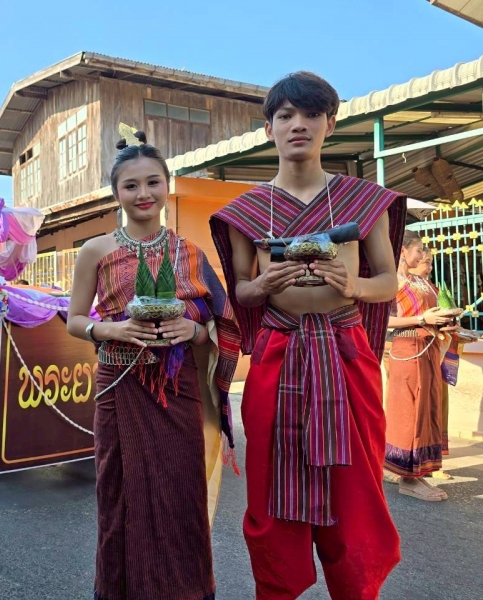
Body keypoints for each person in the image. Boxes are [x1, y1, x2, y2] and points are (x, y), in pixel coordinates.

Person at [210, 71, 405, 599]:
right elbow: (242, 290)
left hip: (346, 351)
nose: (299, 124)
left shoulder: (363, 201)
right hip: (278, 352)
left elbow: (389, 281)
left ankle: (358, 588)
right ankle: (278, 588)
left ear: (330, 125)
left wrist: (354, 285)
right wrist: (263, 284)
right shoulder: (247, 211)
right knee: (271, 480)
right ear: (268, 128)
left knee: (356, 489)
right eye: (286, 115)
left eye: (312, 114)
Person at [67, 132, 239, 600]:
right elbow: (75, 320)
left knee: (180, 495)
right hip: (119, 387)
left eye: (152, 183)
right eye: (131, 185)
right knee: (120, 497)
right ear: (116, 192)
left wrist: (194, 331)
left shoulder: (191, 253)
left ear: (167, 186)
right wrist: (113, 330)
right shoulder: (96, 250)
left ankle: (187, 591)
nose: (143, 194)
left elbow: (221, 321)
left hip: (178, 389)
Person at [384, 231, 461, 499]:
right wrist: (421, 319)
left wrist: (446, 323)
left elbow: (430, 314)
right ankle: (407, 478)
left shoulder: (420, 281)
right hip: (407, 350)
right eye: (418, 250)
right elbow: (384, 321)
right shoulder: (391, 281)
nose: (423, 255)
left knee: (427, 411)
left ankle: (419, 473)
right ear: (403, 251)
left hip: (428, 349)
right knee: (410, 412)